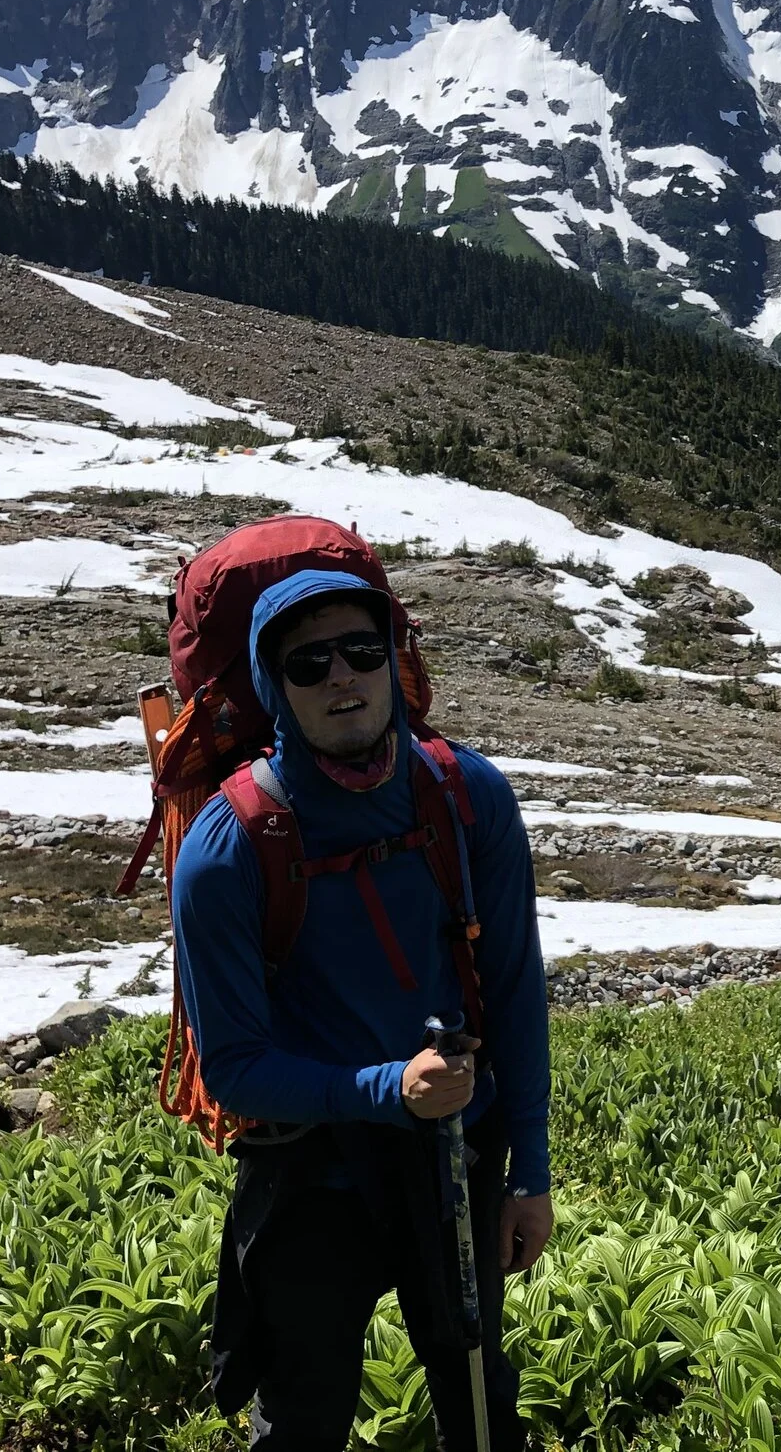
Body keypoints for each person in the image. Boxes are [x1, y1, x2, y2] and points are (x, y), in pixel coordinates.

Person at [172, 567, 551, 1451]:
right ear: (273, 685)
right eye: (308, 663)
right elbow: (232, 1067)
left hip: (458, 1150)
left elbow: (515, 987)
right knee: (305, 1417)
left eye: (361, 650)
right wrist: (390, 1088)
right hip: (312, 1170)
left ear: (394, 658)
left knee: (480, 1398)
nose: (341, 676)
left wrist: (528, 1168)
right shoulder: (227, 850)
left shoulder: (468, 796)